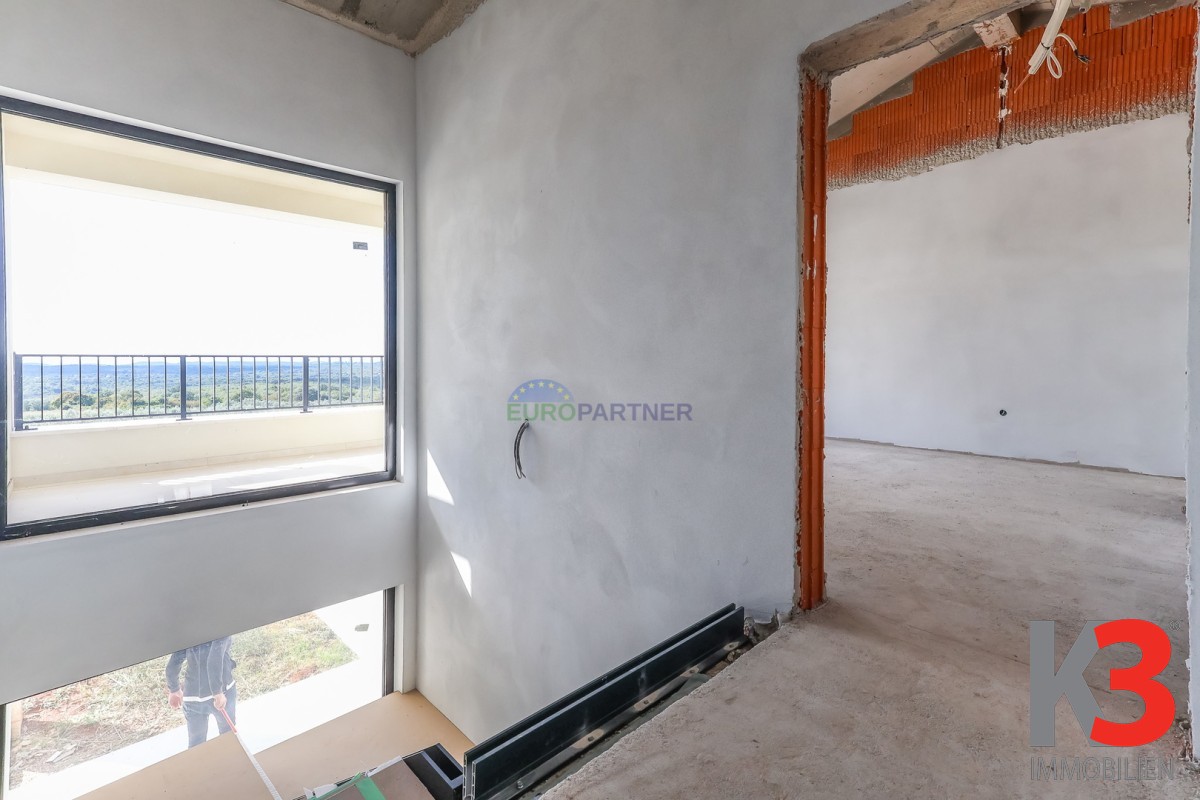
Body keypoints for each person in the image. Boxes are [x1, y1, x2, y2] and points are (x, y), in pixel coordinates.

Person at [165, 637, 237, 748]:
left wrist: (174, 689)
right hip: (222, 692)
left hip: (192, 697)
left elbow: (175, 660)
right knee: (228, 735)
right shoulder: (221, 628)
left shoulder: (189, 631)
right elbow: (215, 658)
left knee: (196, 744)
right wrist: (217, 692)